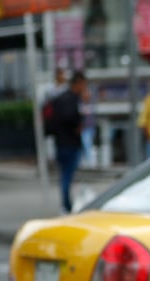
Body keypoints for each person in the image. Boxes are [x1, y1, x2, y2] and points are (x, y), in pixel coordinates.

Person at [49, 71, 89, 213]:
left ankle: (66, 203)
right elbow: (72, 118)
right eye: (83, 84)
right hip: (70, 142)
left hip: (60, 141)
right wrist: (77, 125)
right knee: (67, 175)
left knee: (65, 175)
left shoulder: (59, 98)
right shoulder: (73, 99)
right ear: (78, 83)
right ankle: (66, 205)